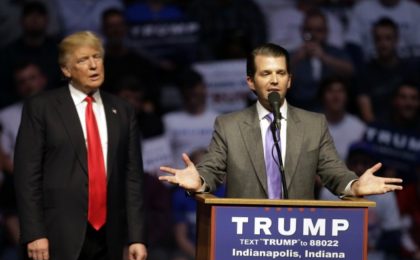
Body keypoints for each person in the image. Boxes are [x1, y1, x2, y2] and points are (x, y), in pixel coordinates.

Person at [159, 43, 403, 200]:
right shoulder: (228, 125)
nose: (274, 80)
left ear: (290, 81)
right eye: (266, 73)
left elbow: (333, 172)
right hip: (244, 240)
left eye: (281, 73)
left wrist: (354, 185)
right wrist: (198, 181)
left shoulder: (313, 124)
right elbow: (211, 168)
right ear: (250, 82)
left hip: (296, 242)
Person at [14, 31, 147, 260]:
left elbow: (132, 177)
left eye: (97, 57)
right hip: (51, 238)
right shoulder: (42, 107)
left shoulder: (121, 110)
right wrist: (34, 232)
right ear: (65, 69)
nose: (93, 65)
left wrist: (136, 236)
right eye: (83, 60)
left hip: (103, 241)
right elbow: (27, 176)